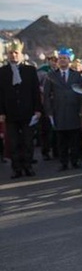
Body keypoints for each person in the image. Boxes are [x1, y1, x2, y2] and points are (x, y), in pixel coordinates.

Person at [0, 40, 43, 178]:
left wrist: (38, 109)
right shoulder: (2, 72)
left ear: (21, 54)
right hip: (10, 113)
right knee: (13, 142)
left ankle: (28, 166)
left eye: (16, 53)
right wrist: (1, 112)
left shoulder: (29, 70)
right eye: (11, 53)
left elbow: (35, 91)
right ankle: (16, 168)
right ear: (8, 55)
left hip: (28, 111)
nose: (13, 55)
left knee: (27, 141)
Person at [43, 47, 82, 171]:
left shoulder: (76, 75)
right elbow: (46, 95)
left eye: (64, 58)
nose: (62, 61)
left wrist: (81, 111)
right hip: (58, 112)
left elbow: (81, 94)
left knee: (75, 139)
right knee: (61, 140)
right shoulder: (51, 76)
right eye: (60, 58)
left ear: (69, 60)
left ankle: (75, 160)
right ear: (57, 61)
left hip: (74, 112)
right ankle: (64, 162)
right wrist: (49, 112)